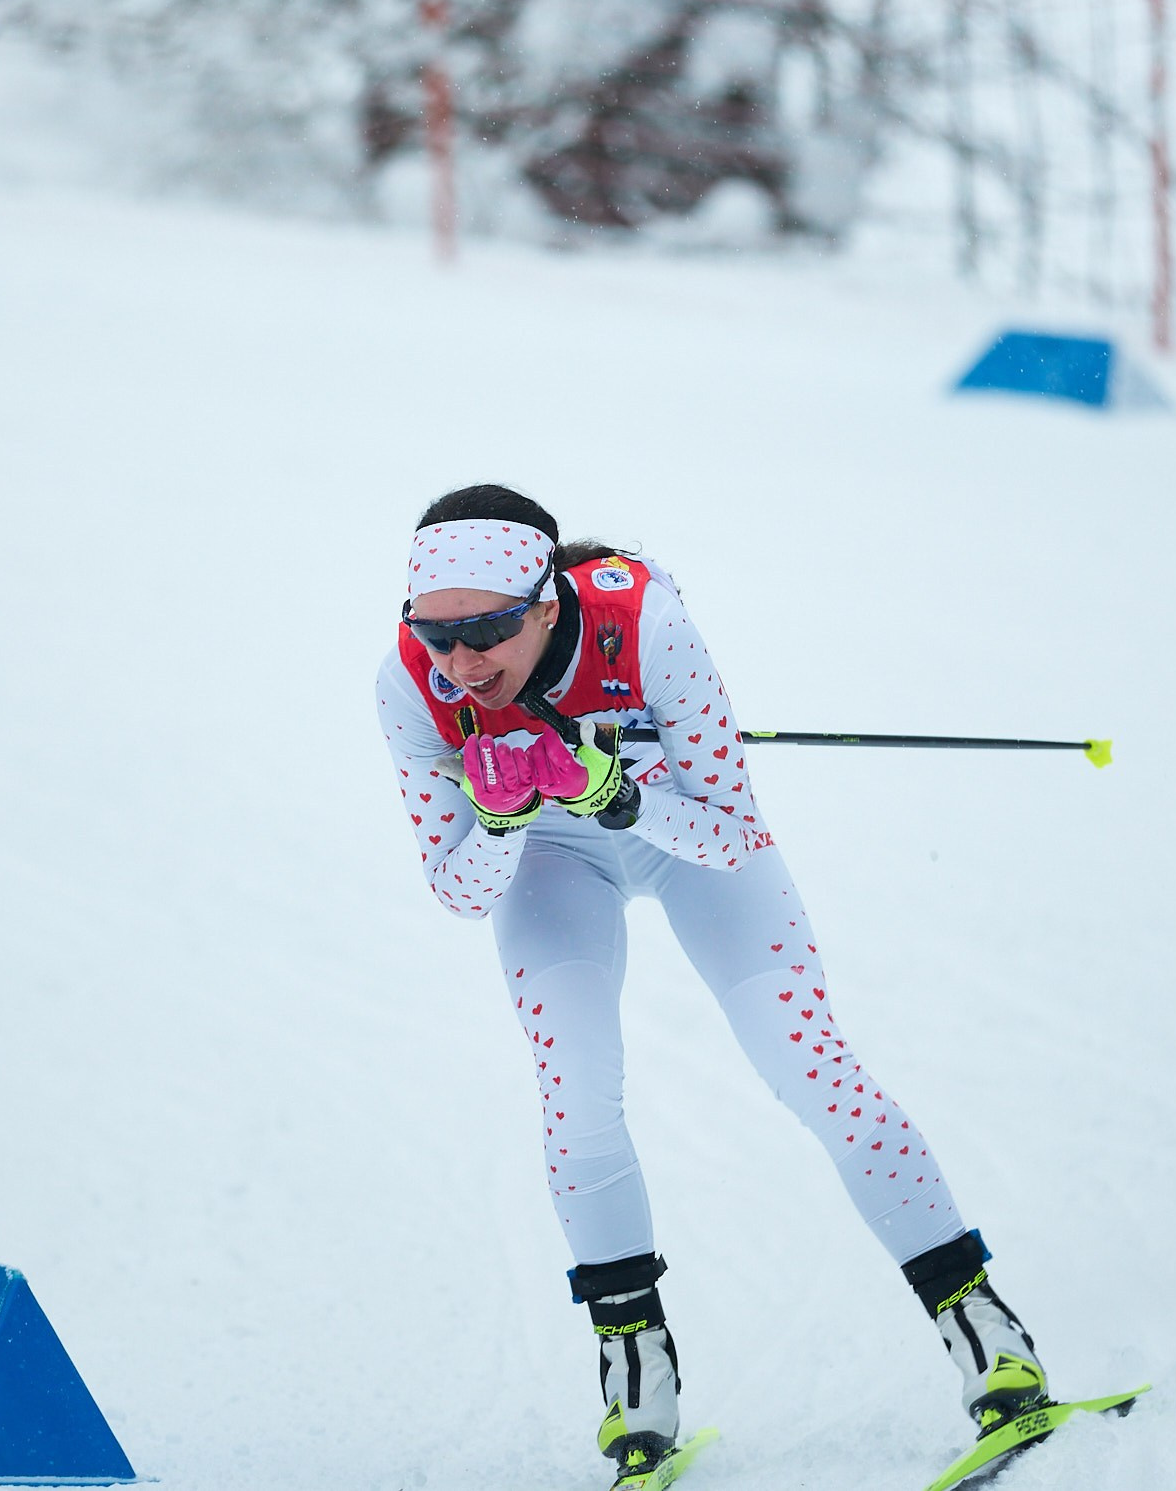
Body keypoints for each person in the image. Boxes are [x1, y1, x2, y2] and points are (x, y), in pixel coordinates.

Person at [374, 485, 1050, 1488]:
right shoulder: (409, 685)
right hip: (550, 867)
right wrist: (507, 818)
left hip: (680, 839)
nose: (463, 660)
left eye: (487, 629)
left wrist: (612, 793)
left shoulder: (646, 625)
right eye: (437, 633)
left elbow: (732, 836)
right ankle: (635, 1383)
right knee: (576, 1097)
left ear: (546, 601)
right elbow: (458, 890)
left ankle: (989, 1340)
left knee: (809, 1065)